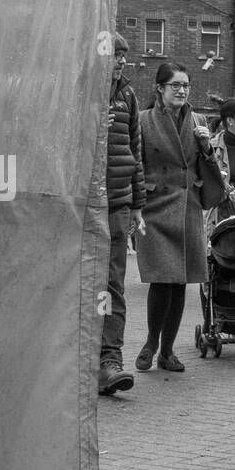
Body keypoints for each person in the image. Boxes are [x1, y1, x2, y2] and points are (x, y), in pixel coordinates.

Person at [135, 62, 226, 372]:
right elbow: (135, 164)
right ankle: (150, 342)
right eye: (175, 85)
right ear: (160, 88)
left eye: (186, 85)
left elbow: (210, 169)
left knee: (180, 282)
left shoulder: (199, 121)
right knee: (161, 279)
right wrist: (135, 205)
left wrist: (206, 147)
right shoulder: (143, 121)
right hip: (155, 208)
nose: (182, 91)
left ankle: (168, 351)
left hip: (187, 207)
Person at [99, 33, 144, 395]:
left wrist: (137, 205)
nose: (121, 61)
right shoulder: (81, 90)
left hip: (118, 205)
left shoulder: (128, 94)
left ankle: (109, 362)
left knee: (114, 286)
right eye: (116, 54)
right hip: (82, 207)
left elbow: (135, 152)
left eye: (123, 56)